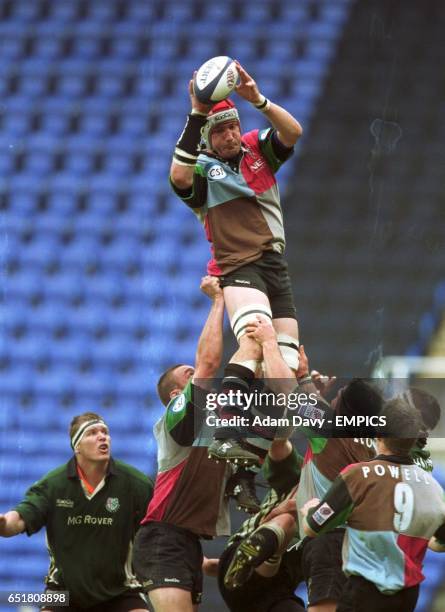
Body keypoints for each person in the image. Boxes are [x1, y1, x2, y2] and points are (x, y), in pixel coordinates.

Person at [170, 60, 303, 462]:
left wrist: (258, 100)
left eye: (232, 126)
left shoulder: (257, 148)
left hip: (274, 266)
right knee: (253, 339)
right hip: (238, 267)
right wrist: (196, 114)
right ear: (208, 138)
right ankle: (227, 421)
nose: (230, 135)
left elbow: (292, 132)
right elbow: (178, 176)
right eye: (221, 130)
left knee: (288, 362)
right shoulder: (202, 171)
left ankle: (253, 445)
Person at [246, 316, 383, 612]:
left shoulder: (330, 429)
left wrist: (270, 342)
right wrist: (305, 376)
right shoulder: (374, 444)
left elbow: (287, 392)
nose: (331, 401)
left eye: (337, 400)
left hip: (330, 538)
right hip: (366, 544)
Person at [132, 276, 237, 612]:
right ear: (177, 396)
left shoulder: (214, 431)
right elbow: (208, 364)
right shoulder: (177, 417)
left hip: (187, 542)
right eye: (187, 376)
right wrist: (218, 300)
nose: (199, 378)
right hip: (164, 538)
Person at [301, 397, 445, 612]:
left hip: (365, 592)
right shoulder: (434, 489)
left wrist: (309, 508)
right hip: (407, 598)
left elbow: (312, 527)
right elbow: (439, 543)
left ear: (378, 435)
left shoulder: (357, 475)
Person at [0, 412, 153, 612]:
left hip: (121, 592)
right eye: (92, 433)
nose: (102, 436)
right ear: (77, 446)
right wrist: (3, 522)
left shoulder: (136, 484)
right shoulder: (53, 485)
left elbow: (162, 528)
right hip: (62, 593)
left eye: (105, 432)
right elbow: (20, 517)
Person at [217, 437, 305, 612]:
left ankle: (246, 562)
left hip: (276, 590)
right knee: (287, 519)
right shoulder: (302, 474)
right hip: (253, 556)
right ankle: (249, 556)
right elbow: (279, 443)